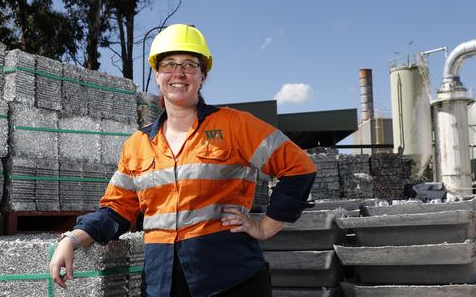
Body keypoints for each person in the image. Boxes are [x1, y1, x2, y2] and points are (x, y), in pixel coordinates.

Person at [49, 24, 317, 297]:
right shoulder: (137, 145)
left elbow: (299, 167)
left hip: (232, 280)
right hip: (161, 284)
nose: (178, 73)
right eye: (169, 65)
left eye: (189, 65)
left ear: (202, 76)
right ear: (157, 75)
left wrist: (264, 226)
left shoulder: (235, 125)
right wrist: (71, 239)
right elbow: (116, 211)